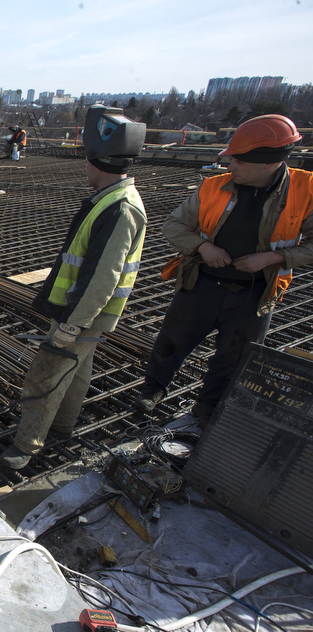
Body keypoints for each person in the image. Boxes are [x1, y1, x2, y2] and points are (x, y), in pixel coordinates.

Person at [133, 114, 313, 426]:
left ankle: (207, 409)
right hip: (202, 284)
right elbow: (174, 225)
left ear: (267, 163)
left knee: (233, 359)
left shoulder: (305, 191)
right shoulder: (213, 187)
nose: (230, 166)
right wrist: (203, 247)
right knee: (171, 341)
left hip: (255, 292)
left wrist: (274, 258)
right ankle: (153, 389)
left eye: (238, 161)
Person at [0, 105, 147, 469]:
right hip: (86, 315)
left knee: (46, 377)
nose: (85, 167)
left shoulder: (119, 210)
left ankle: (25, 446)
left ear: (96, 161)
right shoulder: (113, 201)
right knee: (77, 372)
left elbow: (103, 277)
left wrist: (71, 324)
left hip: (81, 315)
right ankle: (62, 429)